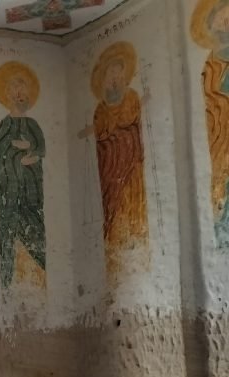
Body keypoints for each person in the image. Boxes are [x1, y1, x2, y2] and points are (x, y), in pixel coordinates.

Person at [78, 42, 149, 275]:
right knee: (111, 207)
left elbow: (131, 122)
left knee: (132, 204)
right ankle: (113, 253)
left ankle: (136, 249)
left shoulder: (132, 97)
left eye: (119, 74)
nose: (115, 79)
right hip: (109, 168)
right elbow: (101, 134)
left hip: (132, 166)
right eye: (111, 75)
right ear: (103, 79)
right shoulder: (100, 108)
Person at [0, 61, 46, 289]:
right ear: (7, 94)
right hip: (8, 201)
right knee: (9, 243)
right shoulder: (3, 126)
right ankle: (8, 289)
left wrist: (30, 149)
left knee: (37, 239)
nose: (19, 94)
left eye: (23, 89)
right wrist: (16, 158)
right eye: (15, 89)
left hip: (32, 198)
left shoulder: (33, 124)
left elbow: (40, 149)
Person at [191, 0, 229, 246]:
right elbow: (212, 97)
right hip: (224, 133)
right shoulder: (212, 63)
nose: (226, 23)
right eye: (222, 20)